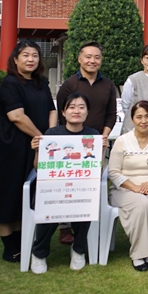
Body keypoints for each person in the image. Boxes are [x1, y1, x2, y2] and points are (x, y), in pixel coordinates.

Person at [0, 40, 57, 263]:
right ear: (15, 59)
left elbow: (52, 110)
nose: (31, 59)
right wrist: (42, 137)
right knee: (7, 195)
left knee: (27, 195)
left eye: (35, 55)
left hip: (36, 147)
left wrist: (51, 135)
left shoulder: (41, 83)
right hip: (10, 148)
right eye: (25, 55)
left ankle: (22, 242)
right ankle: (10, 247)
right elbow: (16, 116)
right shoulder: (9, 84)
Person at [29, 92, 106, 274]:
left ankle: (78, 250)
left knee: (85, 204)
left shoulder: (92, 135)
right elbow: (39, 168)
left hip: (80, 189)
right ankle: (39, 253)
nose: (76, 111)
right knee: (49, 210)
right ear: (63, 112)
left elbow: (97, 169)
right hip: (53, 189)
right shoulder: (51, 134)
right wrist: (37, 151)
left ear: (87, 112)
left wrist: (101, 150)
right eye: (71, 107)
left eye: (81, 107)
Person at [55, 40, 119, 245]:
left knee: (90, 185)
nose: (92, 61)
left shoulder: (108, 85)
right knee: (68, 183)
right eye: (88, 57)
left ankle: (87, 225)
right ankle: (64, 227)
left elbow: (111, 114)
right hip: (70, 145)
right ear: (79, 58)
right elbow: (61, 114)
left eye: (97, 57)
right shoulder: (69, 85)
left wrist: (104, 136)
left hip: (95, 144)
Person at [108, 100, 148, 271]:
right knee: (141, 203)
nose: (144, 121)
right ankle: (138, 254)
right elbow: (113, 172)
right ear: (132, 119)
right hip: (124, 188)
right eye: (139, 117)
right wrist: (135, 188)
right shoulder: (122, 141)